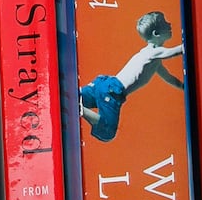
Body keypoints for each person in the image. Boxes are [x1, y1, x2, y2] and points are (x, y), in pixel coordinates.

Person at [79, 10, 184, 142]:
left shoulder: (153, 59)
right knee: (108, 131)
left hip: (104, 84)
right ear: (156, 34)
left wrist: (182, 86)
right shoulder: (154, 53)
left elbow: (168, 77)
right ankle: (80, 108)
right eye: (166, 23)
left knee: (82, 97)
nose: (170, 24)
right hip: (113, 91)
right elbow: (177, 51)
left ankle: (77, 96)